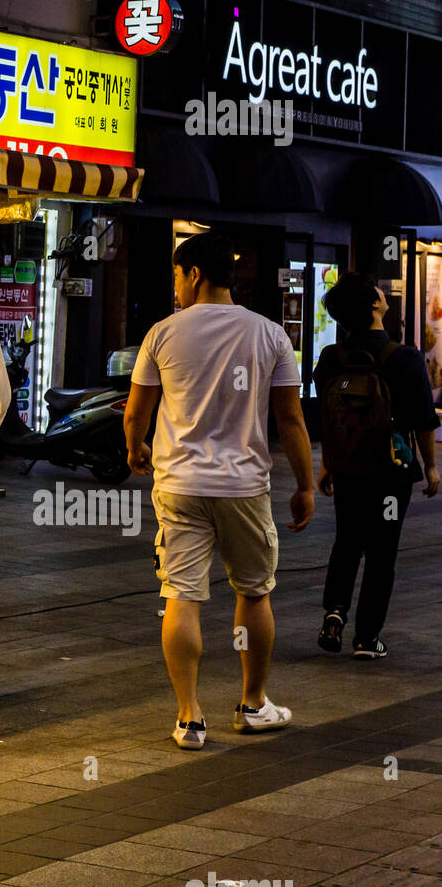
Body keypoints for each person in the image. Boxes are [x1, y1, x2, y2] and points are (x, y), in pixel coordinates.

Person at [123, 232, 315, 751]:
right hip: (244, 486)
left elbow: (136, 412)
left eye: (177, 277)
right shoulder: (271, 335)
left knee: (181, 595)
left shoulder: (162, 333)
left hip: (180, 484)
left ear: (194, 275)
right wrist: (306, 485)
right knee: (253, 591)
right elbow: (291, 419)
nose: (176, 288)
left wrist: (136, 449)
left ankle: (189, 718)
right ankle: (253, 705)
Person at [314, 274, 439, 660]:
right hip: (390, 473)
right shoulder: (403, 357)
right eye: (380, 293)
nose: (385, 295)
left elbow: (328, 418)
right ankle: (367, 638)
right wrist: (431, 467)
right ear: (373, 305)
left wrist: (327, 465)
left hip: (348, 469)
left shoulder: (331, 358)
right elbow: (422, 419)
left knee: (347, 541)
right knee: (382, 551)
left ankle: (334, 613)